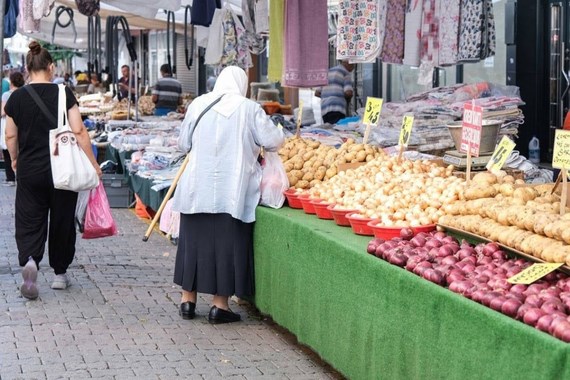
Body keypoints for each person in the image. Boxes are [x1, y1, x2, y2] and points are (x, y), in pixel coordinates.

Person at [171, 66, 284, 324]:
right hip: (233, 189)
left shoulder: (199, 104)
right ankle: (219, 305)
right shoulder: (249, 109)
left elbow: (182, 143)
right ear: (241, 84)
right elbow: (274, 141)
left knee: (194, 243)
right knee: (226, 244)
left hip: (196, 186)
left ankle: (187, 300)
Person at [4, 41, 102, 300]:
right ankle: (60, 273)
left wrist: (14, 160)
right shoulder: (64, 93)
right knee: (62, 220)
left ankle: (30, 261)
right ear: (51, 67)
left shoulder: (16, 97)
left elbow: (10, 136)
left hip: (30, 169)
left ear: (27, 69)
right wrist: (93, 163)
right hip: (63, 169)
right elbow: (79, 130)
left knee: (29, 219)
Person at [1, 71, 24, 186]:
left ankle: (10, 178)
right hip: (23, 125)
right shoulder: (25, 93)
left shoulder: (7, 95)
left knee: (7, 151)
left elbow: (3, 111)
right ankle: (20, 177)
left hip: (9, 125)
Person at [315, 60, 354, 124]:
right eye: (353, 65)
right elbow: (348, 93)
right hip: (338, 108)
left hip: (324, 109)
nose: (353, 68)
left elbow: (317, 93)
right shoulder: (345, 73)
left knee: (329, 131)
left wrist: (328, 96)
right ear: (348, 63)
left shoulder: (327, 72)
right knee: (337, 131)